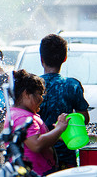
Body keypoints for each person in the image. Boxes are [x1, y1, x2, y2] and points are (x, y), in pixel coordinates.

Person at [38, 34, 90, 170]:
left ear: (41, 59)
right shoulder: (72, 85)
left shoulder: (33, 86)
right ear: (65, 58)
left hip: (39, 153)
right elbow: (83, 118)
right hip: (66, 153)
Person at [4, 69, 69, 176]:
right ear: (26, 94)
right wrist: (59, 129)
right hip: (34, 173)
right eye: (39, 94)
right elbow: (36, 144)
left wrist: (59, 134)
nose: (42, 98)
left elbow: (37, 138)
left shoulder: (18, 113)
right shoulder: (22, 117)